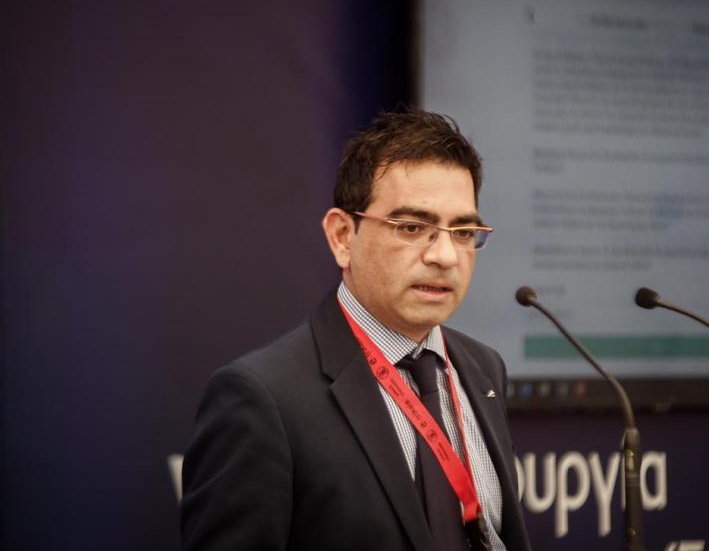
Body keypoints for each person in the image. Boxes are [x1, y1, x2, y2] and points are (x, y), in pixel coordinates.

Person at [180, 108, 532, 551]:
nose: (445, 256)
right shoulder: (263, 399)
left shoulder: (483, 368)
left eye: (463, 231)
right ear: (343, 237)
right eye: (412, 227)